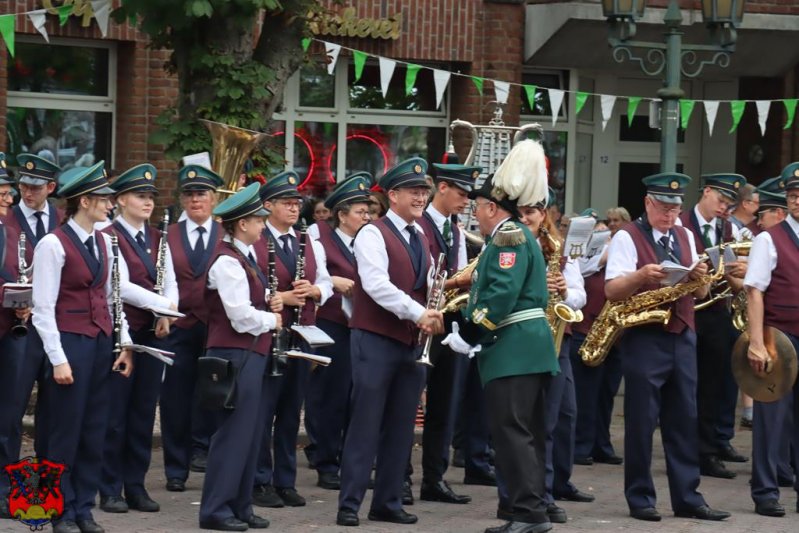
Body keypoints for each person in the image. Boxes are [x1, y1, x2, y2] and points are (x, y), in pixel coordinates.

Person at [445, 139, 558, 533]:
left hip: (515, 348)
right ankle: (521, 509)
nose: (474, 211)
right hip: (525, 348)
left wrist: (471, 327)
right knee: (522, 432)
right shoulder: (510, 235)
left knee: (513, 433)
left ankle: (528, 513)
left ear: (492, 207)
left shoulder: (508, 236)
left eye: (477, 204)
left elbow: (500, 295)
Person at [605, 172, 730, 522]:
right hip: (645, 338)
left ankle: (687, 497)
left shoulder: (686, 235)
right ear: (647, 203)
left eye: (675, 209)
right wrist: (642, 276)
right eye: (663, 208)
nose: (670, 216)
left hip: (682, 334)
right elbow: (613, 290)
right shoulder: (627, 237)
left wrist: (697, 277)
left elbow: (703, 293)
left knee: (683, 420)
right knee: (642, 422)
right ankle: (641, 497)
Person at [31, 161, 138, 533]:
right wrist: (57, 359)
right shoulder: (52, 244)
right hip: (70, 343)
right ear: (85, 201)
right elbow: (43, 308)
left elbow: (112, 298)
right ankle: (55, 509)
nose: (110, 205)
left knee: (95, 430)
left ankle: (82, 508)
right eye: (105, 199)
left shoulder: (105, 241)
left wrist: (124, 343)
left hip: (100, 342)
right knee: (63, 431)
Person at [336, 157, 443, 527]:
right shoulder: (371, 232)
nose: (421, 197)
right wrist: (418, 313)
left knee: (401, 425)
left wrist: (441, 303)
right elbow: (376, 284)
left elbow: (426, 282)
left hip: (410, 343)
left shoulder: (422, 235)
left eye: (424, 191)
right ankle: (349, 503)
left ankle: (388, 501)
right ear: (393, 195)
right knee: (366, 423)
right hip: (376, 340)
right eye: (414, 191)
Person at [197, 183, 282, 532]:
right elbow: (239, 315)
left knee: (249, 434)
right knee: (232, 435)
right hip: (235, 354)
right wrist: (271, 319)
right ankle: (215, 508)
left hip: (249, 353)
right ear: (242, 223)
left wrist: (270, 304)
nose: (264, 225)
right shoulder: (228, 263)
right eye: (259, 219)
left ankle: (240, 504)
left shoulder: (244, 257)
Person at [98, 164, 179, 514]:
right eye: (140, 196)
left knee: (144, 413)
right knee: (116, 415)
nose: (147, 203)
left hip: (155, 334)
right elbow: (120, 285)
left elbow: (171, 280)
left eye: (150, 197)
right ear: (120, 200)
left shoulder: (160, 238)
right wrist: (162, 304)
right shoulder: (107, 235)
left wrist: (167, 313)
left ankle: (136, 485)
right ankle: (109, 488)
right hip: (123, 334)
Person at [251, 171, 333, 508]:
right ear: (268, 205)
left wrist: (314, 290)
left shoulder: (308, 240)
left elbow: (326, 281)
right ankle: (259, 481)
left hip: (300, 335)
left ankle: (285, 480)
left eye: (296, 202)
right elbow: (250, 284)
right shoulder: (256, 238)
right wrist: (280, 297)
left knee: (289, 412)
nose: (294, 207)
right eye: (286, 202)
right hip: (269, 335)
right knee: (263, 411)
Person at [518, 192, 589, 525]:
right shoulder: (508, 244)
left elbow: (580, 295)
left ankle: (553, 486)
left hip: (557, 341)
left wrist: (564, 290)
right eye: (519, 211)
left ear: (543, 213)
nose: (525, 217)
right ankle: (537, 496)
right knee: (536, 423)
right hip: (523, 341)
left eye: (531, 211)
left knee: (562, 416)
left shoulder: (558, 248)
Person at [303, 172, 373, 491]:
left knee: (355, 396)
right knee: (329, 396)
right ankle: (326, 461)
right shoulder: (320, 239)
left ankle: (349, 459)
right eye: (360, 211)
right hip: (331, 324)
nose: (367, 216)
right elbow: (311, 276)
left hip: (360, 326)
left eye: (368, 211)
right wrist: (332, 281)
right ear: (341, 215)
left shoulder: (369, 241)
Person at [414, 163, 477, 505]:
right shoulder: (419, 224)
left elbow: (461, 269)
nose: (466, 201)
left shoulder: (456, 227)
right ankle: (398, 475)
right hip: (422, 321)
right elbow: (418, 276)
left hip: (449, 322)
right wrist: (457, 282)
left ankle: (434, 478)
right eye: (461, 194)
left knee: (445, 403)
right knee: (408, 401)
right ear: (442, 188)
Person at [678, 174, 748, 480]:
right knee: (683, 387)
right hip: (686, 312)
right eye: (720, 200)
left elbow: (731, 268)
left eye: (729, 204)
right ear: (705, 192)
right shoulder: (681, 223)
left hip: (716, 312)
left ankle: (706, 451)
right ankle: (682, 450)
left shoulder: (728, 227)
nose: (724, 208)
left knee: (712, 386)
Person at [160, 165, 225, 493]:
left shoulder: (226, 232)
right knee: (175, 398)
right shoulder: (166, 235)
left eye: (201, 193)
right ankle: (175, 468)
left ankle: (209, 457)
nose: (195, 199)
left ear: (214, 198)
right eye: (189, 194)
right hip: (178, 326)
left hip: (216, 327)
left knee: (215, 395)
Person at [744, 161, 799, 518]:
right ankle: (765, 491)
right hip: (780, 337)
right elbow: (754, 291)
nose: (798, 201)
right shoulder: (768, 238)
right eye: (794, 196)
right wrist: (756, 341)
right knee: (771, 417)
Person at [3, 153, 63, 465]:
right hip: (20, 329)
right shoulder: (6, 219)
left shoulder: (62, 220)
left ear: (50, 187)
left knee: (53, 411)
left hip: (54, 326)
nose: (28, 192)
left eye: (36, 187)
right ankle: (3, 485)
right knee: (10, 410)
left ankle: (44, 482)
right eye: (24, 185)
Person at [572, 210, 624, 466]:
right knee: (586, 392)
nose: (605, 238)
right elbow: (585, 268)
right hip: (586, 330)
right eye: (599, 234)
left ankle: (601, 443)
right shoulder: (581, 255)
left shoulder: (614, 256)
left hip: (613, 331)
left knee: (606, 393)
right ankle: (580, 446)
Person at [0, 154, 31, 520]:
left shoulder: (14, 233)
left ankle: (6, 492)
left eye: (9, 192)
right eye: (4, 192)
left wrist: (24, 302)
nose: (9, 199)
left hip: (10, 332)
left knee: (8, 416)